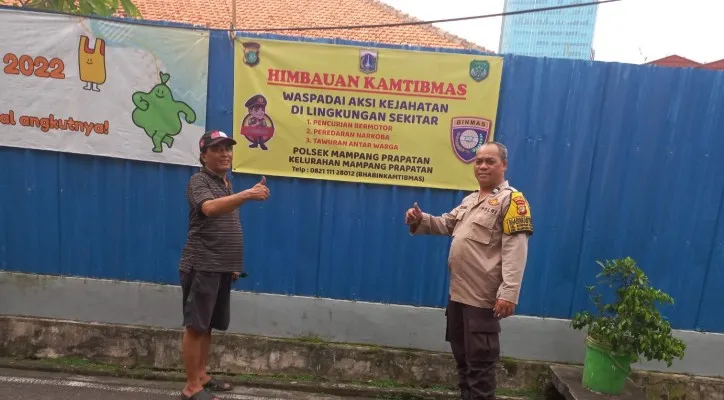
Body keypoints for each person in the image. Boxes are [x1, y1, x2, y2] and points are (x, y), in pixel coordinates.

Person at [404, 142, 533, 400]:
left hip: (482, 301)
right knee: (463, 364)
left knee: (481, 370)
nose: (483, 166)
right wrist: (420, 219)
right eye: (479, 161)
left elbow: (515, 251)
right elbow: (446, 223)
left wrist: (508, 293)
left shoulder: (512, 201)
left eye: (490, 161)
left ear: (503, 165)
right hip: (458, 297)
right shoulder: (471, 199)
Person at [178, 130, 270, 400]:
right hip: (201, 265)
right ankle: (191, 387)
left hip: (220, 267)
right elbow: (209, 209)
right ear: (204, 154)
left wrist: (231, 265)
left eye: (228, 149)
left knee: (207, 326)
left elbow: (227, 224)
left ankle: (203, 375)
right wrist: (247, 195)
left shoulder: (224, 183)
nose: (225, 154)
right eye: (217, 149)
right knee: (196, 326)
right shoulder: (199, 181)